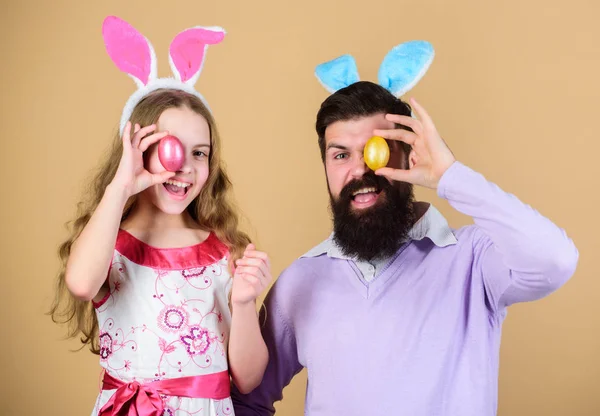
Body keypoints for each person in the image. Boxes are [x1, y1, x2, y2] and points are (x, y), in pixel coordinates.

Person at [231, 44, 579, 415]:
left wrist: (450, 176)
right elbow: (246, 399)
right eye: (340, 155)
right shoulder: (300, 281)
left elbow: (554, 261)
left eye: (377, 148)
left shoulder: (473, 261)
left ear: (409, 153)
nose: (360, 169)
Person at [50, 16, 271, 415]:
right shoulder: (108, 242)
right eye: (170, 148)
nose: (184, 166)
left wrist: (242, 304)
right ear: (137, 148)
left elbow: (249, 378)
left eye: (200, 153)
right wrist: (122, 185)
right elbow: (82, 284)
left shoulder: (223, 252)